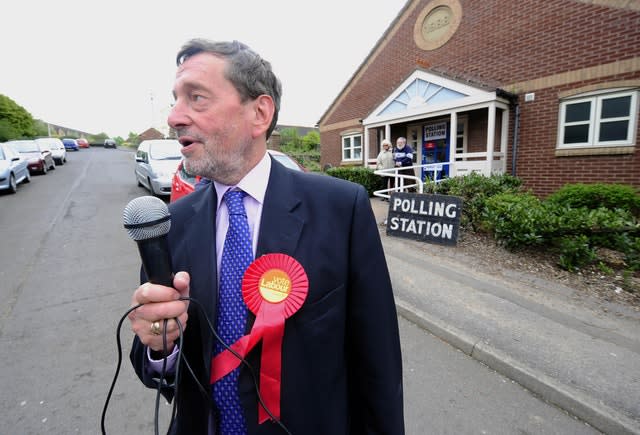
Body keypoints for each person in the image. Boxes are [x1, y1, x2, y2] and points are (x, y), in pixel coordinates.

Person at [127, 39, 404, 435]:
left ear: (259, 113)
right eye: (175, 100)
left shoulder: (341, 209)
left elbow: (378, 364)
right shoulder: (171, 223)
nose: (174, 117)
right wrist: (160, 343)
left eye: (196, 97)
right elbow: (155, 368)